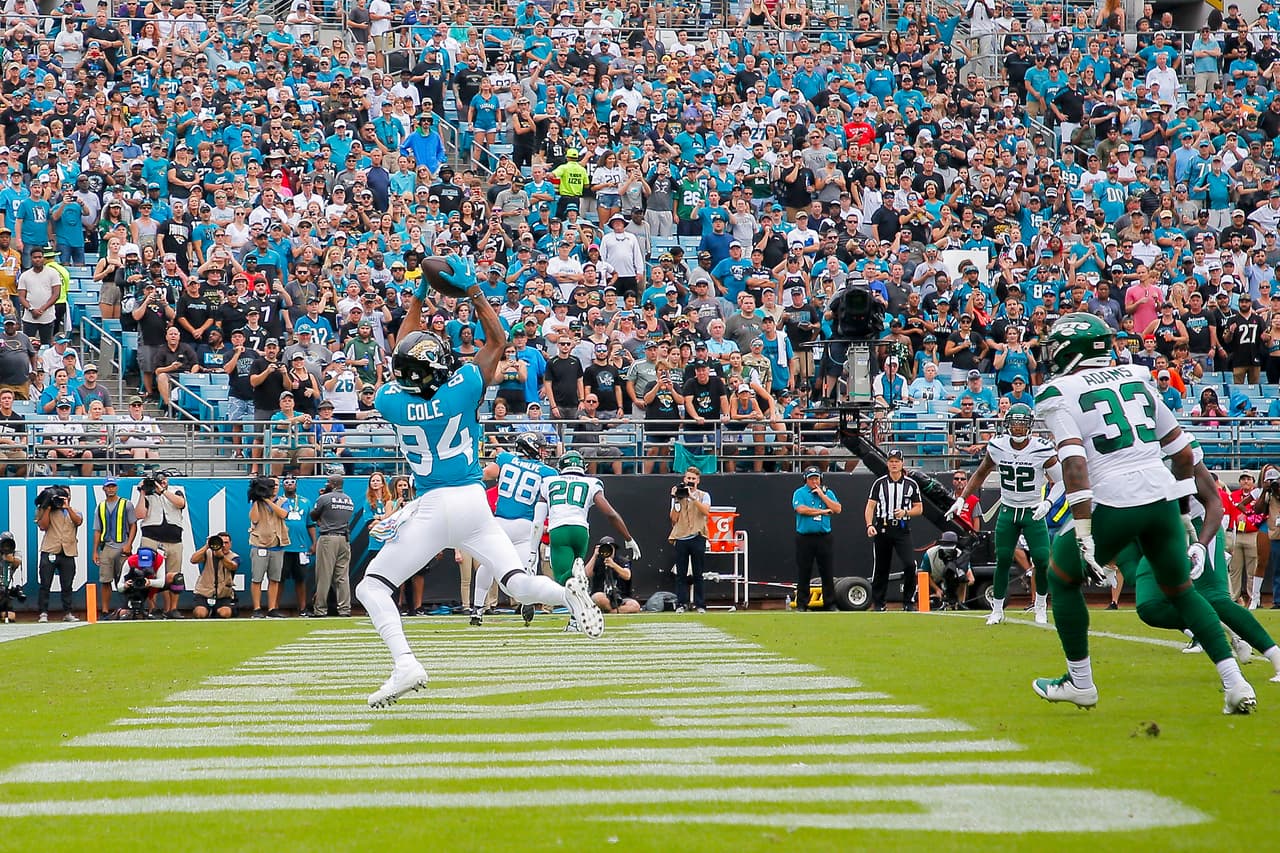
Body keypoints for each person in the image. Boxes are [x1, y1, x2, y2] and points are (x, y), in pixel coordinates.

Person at [353, 255, 606, 709]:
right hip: (473, 501)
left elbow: (403, 351)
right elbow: (498, 339)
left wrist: (419, 292)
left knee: (371, 586)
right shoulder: (464, 386)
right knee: (515, 581)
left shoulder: (390, 399)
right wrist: (472, 292)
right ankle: (570, 600)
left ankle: (405, 662)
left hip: (431, 506)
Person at [1032, 312, 1255, 714]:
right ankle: (1236, 682)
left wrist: (1083, 532)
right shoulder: (1137, 377)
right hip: (1160, 497)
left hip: (1114, 501)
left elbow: (1075, 466)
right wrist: (1184, 512)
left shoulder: (1057, 391)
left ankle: (1080, 683)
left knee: (1060, 576)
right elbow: (1183, 454)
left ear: (1072, 350)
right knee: (1182, 591)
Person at [1129, 435, 1280, 683]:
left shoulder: (1177, 444)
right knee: (1150, 607)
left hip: (1197, 525)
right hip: (1161, 531)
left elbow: (1214, 503)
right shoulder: (1120, 450)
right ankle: (1227, 630)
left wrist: (1201, 543)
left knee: (1214, 598)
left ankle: (1276, 658)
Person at [949, 404, 1062, 626]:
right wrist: (962, 499)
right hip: (1008, 511)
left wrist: (1048, 503)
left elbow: (1061, 482)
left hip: (1032, 512)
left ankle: (1040, 606)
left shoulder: (1042, 449)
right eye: (1015, 424)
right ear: (1007, 425)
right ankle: (997, 609)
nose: (1018, 429)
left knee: (1041, 560)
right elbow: (980, 473)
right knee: (1002, 560)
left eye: (1022, 424)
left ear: (1029, 425)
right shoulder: (998, 446)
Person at [475, 431, 557, 626]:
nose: (544, 450)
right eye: (541, 446)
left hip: (500, 522)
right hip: (524, 526)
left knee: (488, 564)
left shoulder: (505, 459)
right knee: (526, 570)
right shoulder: (548, 472)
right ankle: (527, 600)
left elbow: (484, 474)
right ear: (532, 446)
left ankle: (477, 609)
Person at [540, 449, 640, 592]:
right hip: (581, 530)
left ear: (560, 466)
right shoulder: (591, 482)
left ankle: (576, 573)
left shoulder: (549, 481)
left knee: (563, 579)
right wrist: (628, 538)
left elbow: (538, 518)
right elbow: (611, 514)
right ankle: (576, 612)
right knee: (574, 582)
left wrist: (532, 547)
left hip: (559, 529)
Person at [864, 449, 923, 611]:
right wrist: (869, 525)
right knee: (881, 567)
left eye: (897, 461)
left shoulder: (911, 484)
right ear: (887, 463)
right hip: (882, 527)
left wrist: (906, 512)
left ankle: (909, 602)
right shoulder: (879, 483)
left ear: (902, 463)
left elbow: (919, 508)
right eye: (891, 461)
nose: (894, 464)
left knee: (910, 564)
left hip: (902, 528)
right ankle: (879, 604)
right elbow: (870, 506)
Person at [135, 470, 187, 618]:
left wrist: (163, 490)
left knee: (175, 576)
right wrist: (143, 492)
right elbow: (139, 515)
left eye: (163, 480)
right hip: (151, 538)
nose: (160, 483)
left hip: (174, 539)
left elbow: (180, 503)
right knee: (149, 574)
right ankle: (153, 609)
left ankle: (172, 608)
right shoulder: (147, 495)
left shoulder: (175, 491)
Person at [792, 466, 842, 611]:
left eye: (816, 478)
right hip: (805, 537)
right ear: (805, 480)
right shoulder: (800, 493)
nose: (814, 481)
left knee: (827, 571)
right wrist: (822, 511)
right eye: (811, 479)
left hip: (823, 536)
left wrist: (822, 495)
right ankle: (802, 603)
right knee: (804, 571)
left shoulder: (827, 492)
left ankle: (830, 603)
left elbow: (837, 509)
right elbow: (801, 510)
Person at [35, 485, 82, 623]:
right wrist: (48, 506)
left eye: (66, 496)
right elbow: (43, 526)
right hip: (50, 549)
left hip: (68, 551)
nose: (63, 499)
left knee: (67, 584)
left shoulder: (76, 511)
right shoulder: (46, 510)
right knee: (45, 584)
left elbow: (78, 521)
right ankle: (43, 612)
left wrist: (67, 507)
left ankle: (67, 612)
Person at [310, 474, 354, 618]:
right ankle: (345, 609)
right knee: (342, 576)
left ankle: (320, 610)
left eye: (328, 482)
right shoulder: (349, 499)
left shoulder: (324, 498)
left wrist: (321, 497)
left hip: (328, 538)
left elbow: (313, 515)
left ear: (333, 484)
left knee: (324, 575)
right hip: (345, 539)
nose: (326, 483)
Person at [91, 477, 136, 620]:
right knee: (105, 580)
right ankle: (105, 610)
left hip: (122, 545)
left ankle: (126, 608)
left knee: (125, 579)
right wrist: (95, 551)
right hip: (107, 547)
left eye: (113, 486)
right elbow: (97, 530)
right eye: (108, 486)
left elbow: (133, 525)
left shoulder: (126, 504)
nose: (110, 489)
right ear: (104, 488)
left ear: (116, 487)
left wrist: (129, 544)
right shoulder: (101, 506)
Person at [668, 466, 711, 614]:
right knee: (681, 574)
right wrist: (677, 500)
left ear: (698, 481)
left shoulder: (704, 495)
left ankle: (700, 605)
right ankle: (681, 604)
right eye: (688, 478)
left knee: (698, 573)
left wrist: (693, 498)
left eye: (693, 479)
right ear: (684, 479)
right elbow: (673, 519)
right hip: (681, 537)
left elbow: (706, 512)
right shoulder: (679, 496)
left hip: (698, 536)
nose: (691, 481)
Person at [247, 475, 290, 619]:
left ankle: (272, 608)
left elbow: (283, 514)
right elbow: (254, 519)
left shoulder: (283, 501)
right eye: (271, 485)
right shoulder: (257, 502)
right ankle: (257, 608)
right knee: (257, 578)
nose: (274, 488)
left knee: (274, 579)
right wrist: (256, 499)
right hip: (259, 544)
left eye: (276, 485)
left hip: (277, 543)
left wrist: (267, 500)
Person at [279, 474, 315, 617]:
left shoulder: (305, 502)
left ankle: (302, 609)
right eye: (286, 482)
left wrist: (314, 542)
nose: (289, 484)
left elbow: (310, 524)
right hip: (282, 547)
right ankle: (274, 608)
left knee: (300, 579)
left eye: (292, 482)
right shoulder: (279, 502)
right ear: (283, 485)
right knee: (278, 579)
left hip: (301, 547)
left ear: (296, 484)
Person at [585, 536, 641, 614]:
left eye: (610, 548)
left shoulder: (622, 561)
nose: (607, 551)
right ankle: (614, 610)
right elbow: (586, 574)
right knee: (599, 598)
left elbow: (627, 575)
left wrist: (613, 565)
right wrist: (594, 555)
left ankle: (611, 611)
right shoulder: (596, 561)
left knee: (635, 606)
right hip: (602, 595)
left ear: (614, 549)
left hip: (620, 597)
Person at [190, 532, 239, 620]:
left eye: (226, 543)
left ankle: (215, 614)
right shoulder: (207, 553)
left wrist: (221, 557)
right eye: (221, 542)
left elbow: (233, 566)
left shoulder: (234, 556)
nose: (223, 545)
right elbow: (193, 560)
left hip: (223, 595)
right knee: (200, 613)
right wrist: (207, 546)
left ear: (230, 544)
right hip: (204, 593)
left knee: (225, 613)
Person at [922, 531, 975, 609]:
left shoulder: (961, 555)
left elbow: (970, 577)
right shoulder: (930, 554)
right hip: (934, 581)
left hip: (953, 582)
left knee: (962, 579)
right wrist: (937, 589)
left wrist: (966, 580)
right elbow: (925, 574)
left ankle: (959, 604)